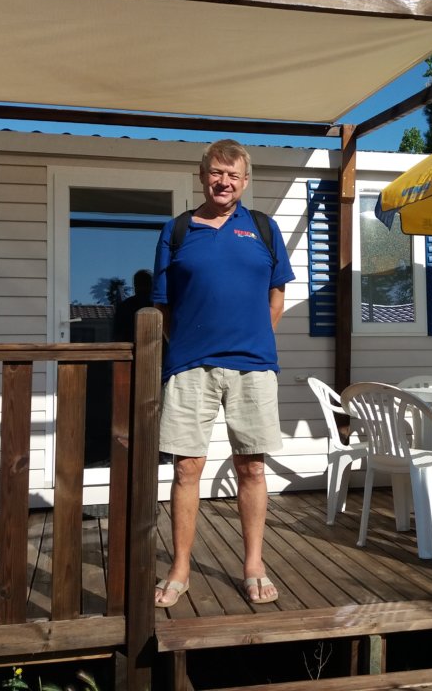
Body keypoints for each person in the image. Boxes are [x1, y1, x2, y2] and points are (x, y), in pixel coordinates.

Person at [151, 139, 294, 608]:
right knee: (186, 468)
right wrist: (193, 344)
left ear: (245, 181)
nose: (224, 182)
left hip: (253, 367)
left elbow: (277, 298)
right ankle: (180, 568)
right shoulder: (175, 232)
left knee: (252, 467)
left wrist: (249, 337)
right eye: (216, 173)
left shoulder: (263, 229)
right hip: (190, 367)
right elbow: (163, 306)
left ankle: (253, 564)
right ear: (202, 175)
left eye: (233, 175)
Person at [111, 269, 153, 342]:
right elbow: (118, 336)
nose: (142, 288)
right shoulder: (125, 307)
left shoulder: (159, 306)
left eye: (145, 284)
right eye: (139, 284)